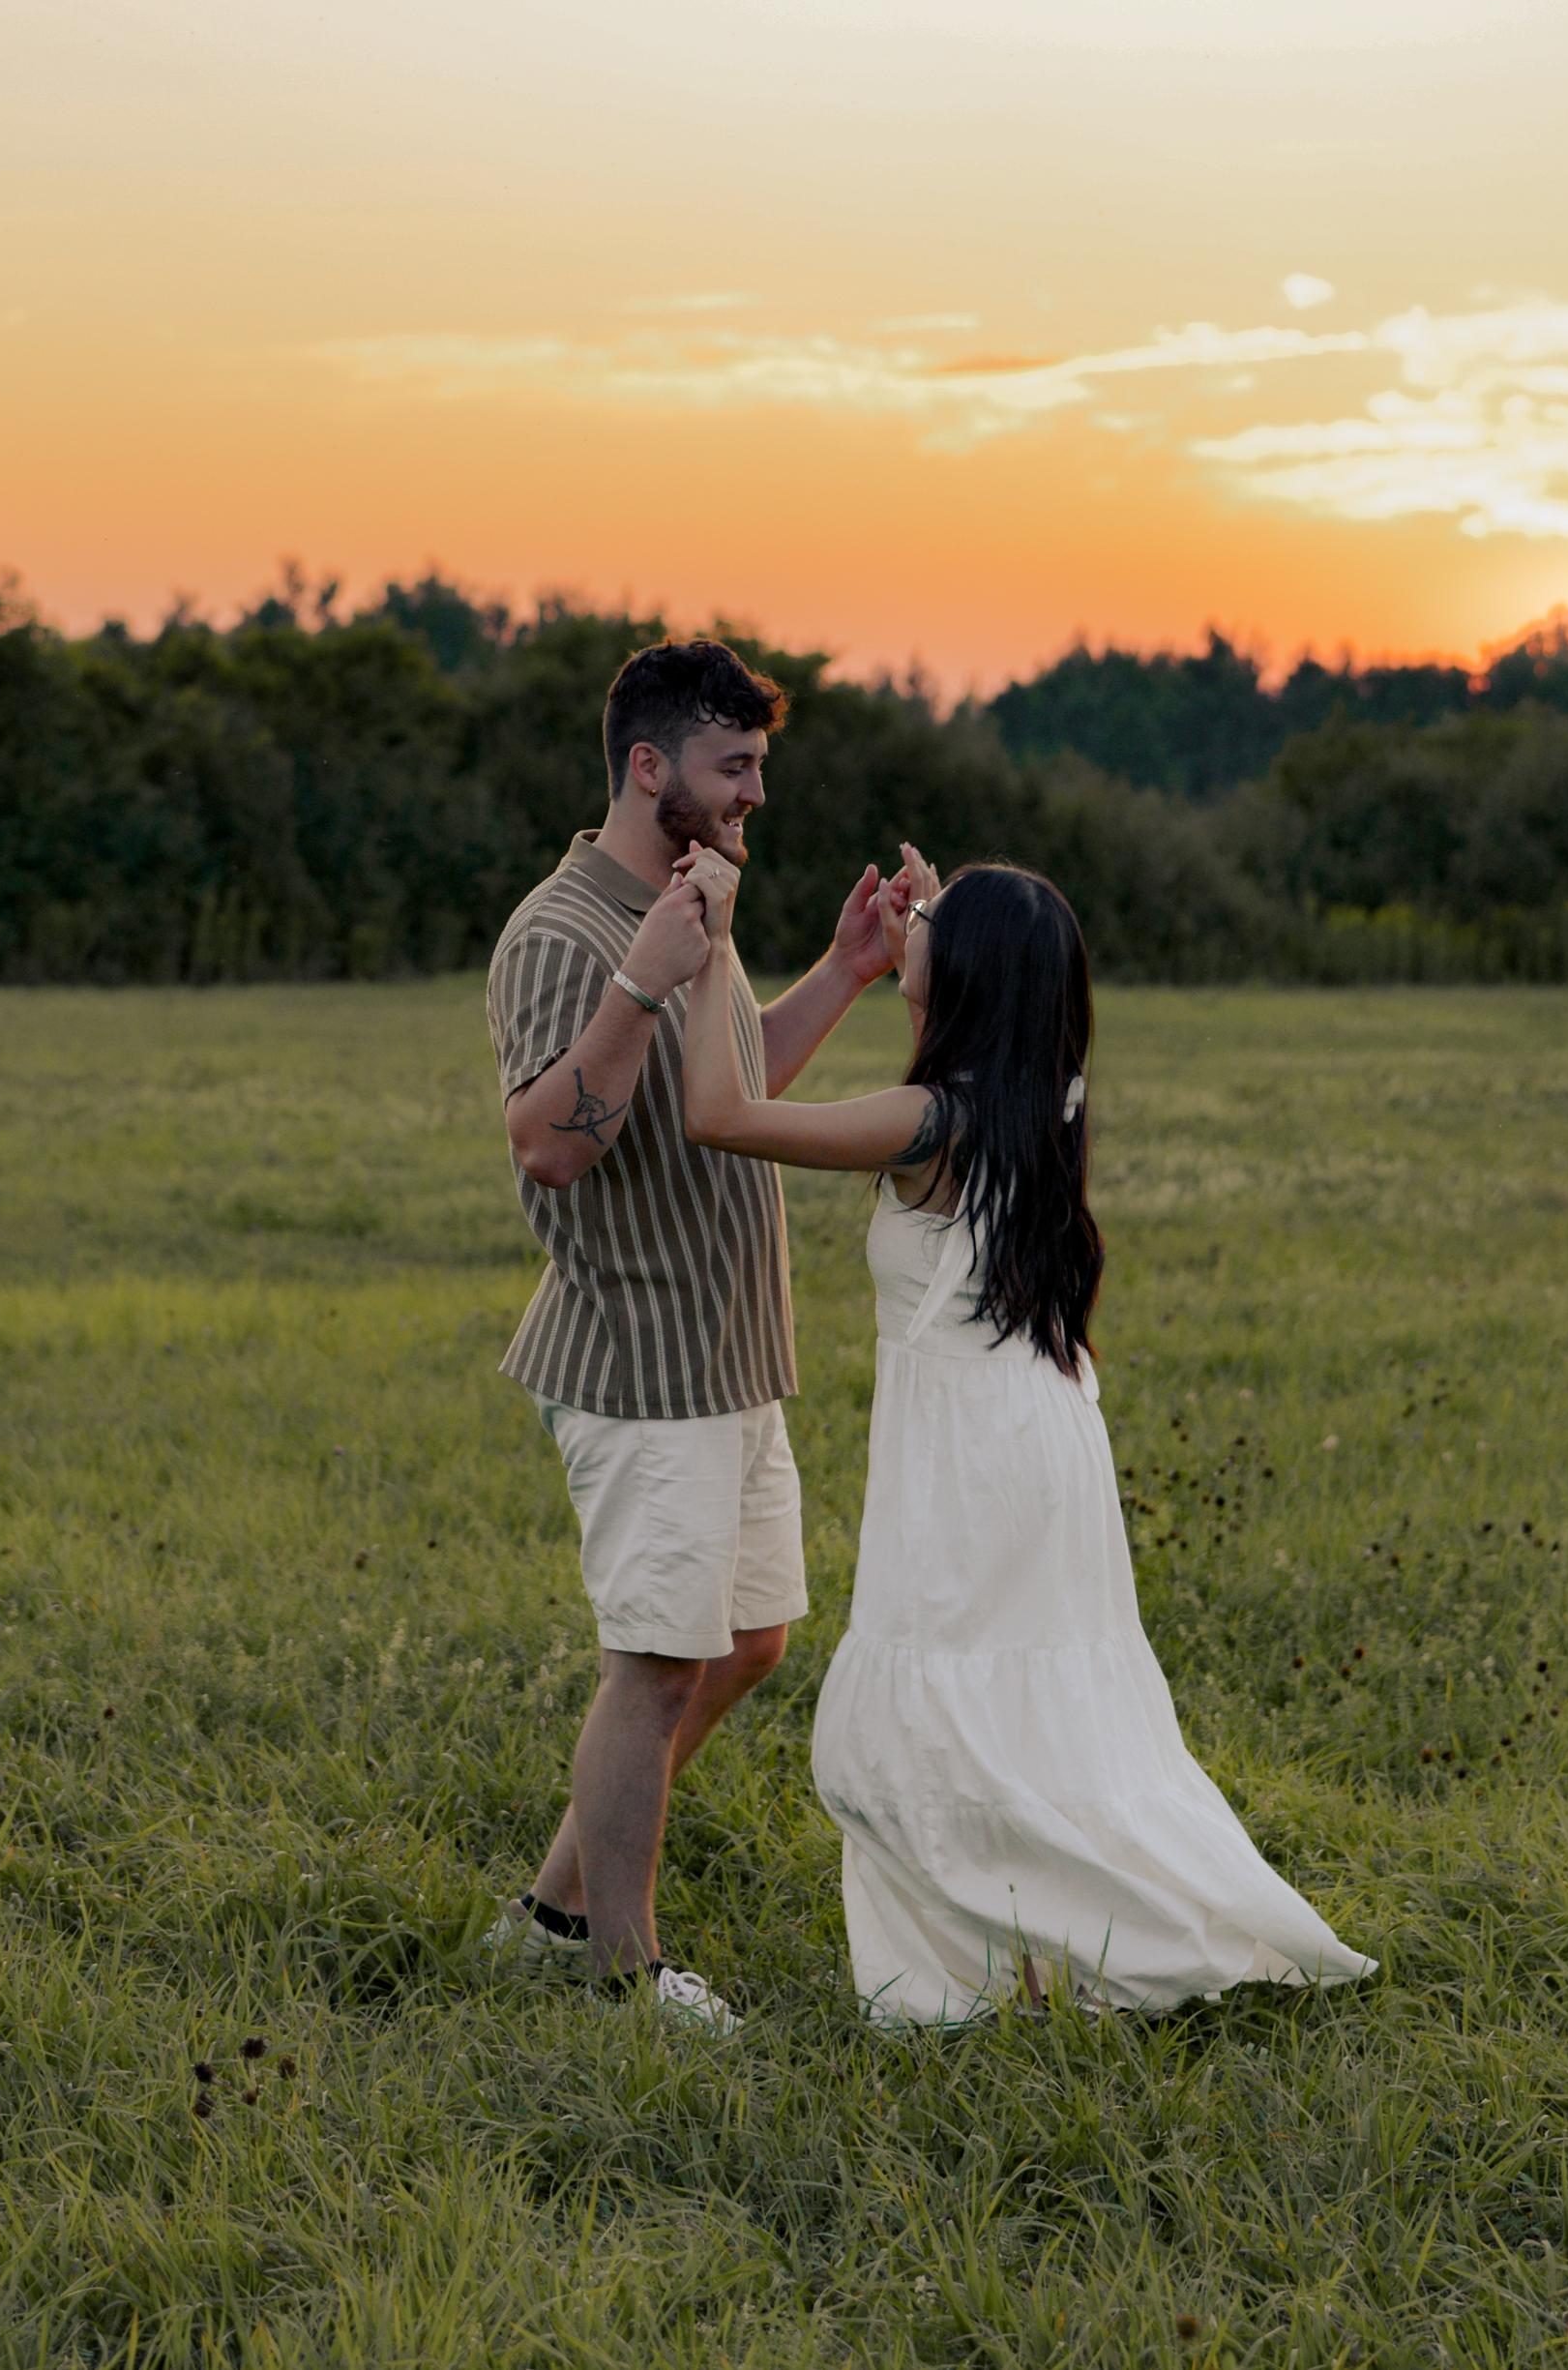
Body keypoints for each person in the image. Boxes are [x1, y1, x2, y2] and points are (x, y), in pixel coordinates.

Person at [676, 845, 1376, 2029]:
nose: (918, 930)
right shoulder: (1043, 1090)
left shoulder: (929, 1120)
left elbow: (715, 1115)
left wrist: (712, 948)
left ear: (970, 982)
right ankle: (1047, 1942)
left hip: (973, 1449)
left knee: (932, 1710)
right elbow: (990, 979)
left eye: (939, 928)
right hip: (1038, 1425)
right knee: (1037, 1702)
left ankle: (1006, 1954)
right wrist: (935, 933)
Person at [479, 637, 902, 2031]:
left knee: (751, 1639)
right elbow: (548, 1148)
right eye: (736, 765)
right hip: (642, 1361)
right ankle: (620, 1974)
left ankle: (554, 1914)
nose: (756, 793)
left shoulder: (695, 895)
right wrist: (645, 979)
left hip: (732, 1356)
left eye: (761, 764)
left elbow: (730, 1090)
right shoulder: (563, 932)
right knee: (654, 1667)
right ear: (649, 766)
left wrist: (840, 970)